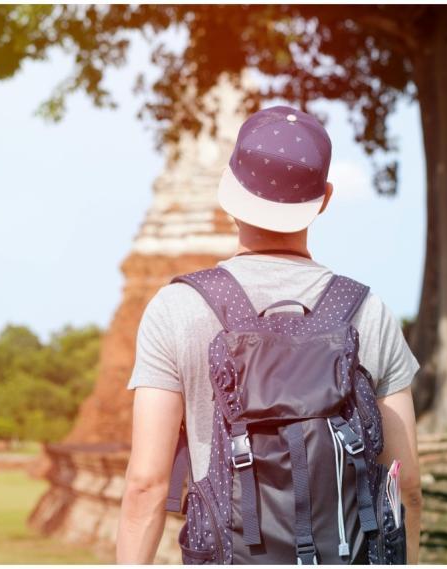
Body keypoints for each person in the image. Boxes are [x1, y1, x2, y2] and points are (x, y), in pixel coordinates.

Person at [115, 105, 422, 564]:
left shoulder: (178, 309)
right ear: (325, 198)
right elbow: (405, 484)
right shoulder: (368, 313)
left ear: (229, 190)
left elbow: (146, 484)